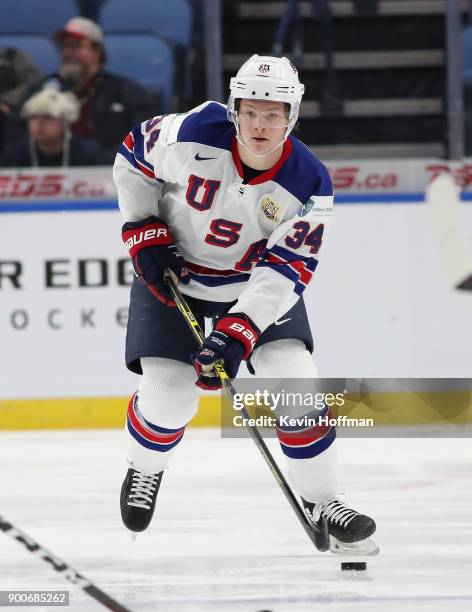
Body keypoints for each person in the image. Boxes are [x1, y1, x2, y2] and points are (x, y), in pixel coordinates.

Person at [114, 55, 377, 554]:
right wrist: (143, 228)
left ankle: (323, 501)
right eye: (252, 111)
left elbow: (286, 269)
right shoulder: (192, 132)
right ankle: (144, 468)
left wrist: (238, 330)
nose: (261, 124)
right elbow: (133, 156)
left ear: (292, 117)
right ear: (234, 109)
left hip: (251, 286)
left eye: (274, 113)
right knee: (170, 393)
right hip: (176, 278)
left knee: (296, 382)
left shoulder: (309, 182)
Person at [10, 17, 159, 163]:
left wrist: (101, 162)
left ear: (97, 51)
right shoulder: (41, 89)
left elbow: (143, 136)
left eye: (75, 46)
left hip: (108, 174)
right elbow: (13, 133)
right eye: (64, 47)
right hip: (46, 172)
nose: (67, 52)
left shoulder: (125, 91)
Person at [0, 88, 103, 167]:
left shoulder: (88, 153)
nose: (39, 123)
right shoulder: (15, 153)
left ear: (64, 122)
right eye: (34, 117)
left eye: (47, 117)